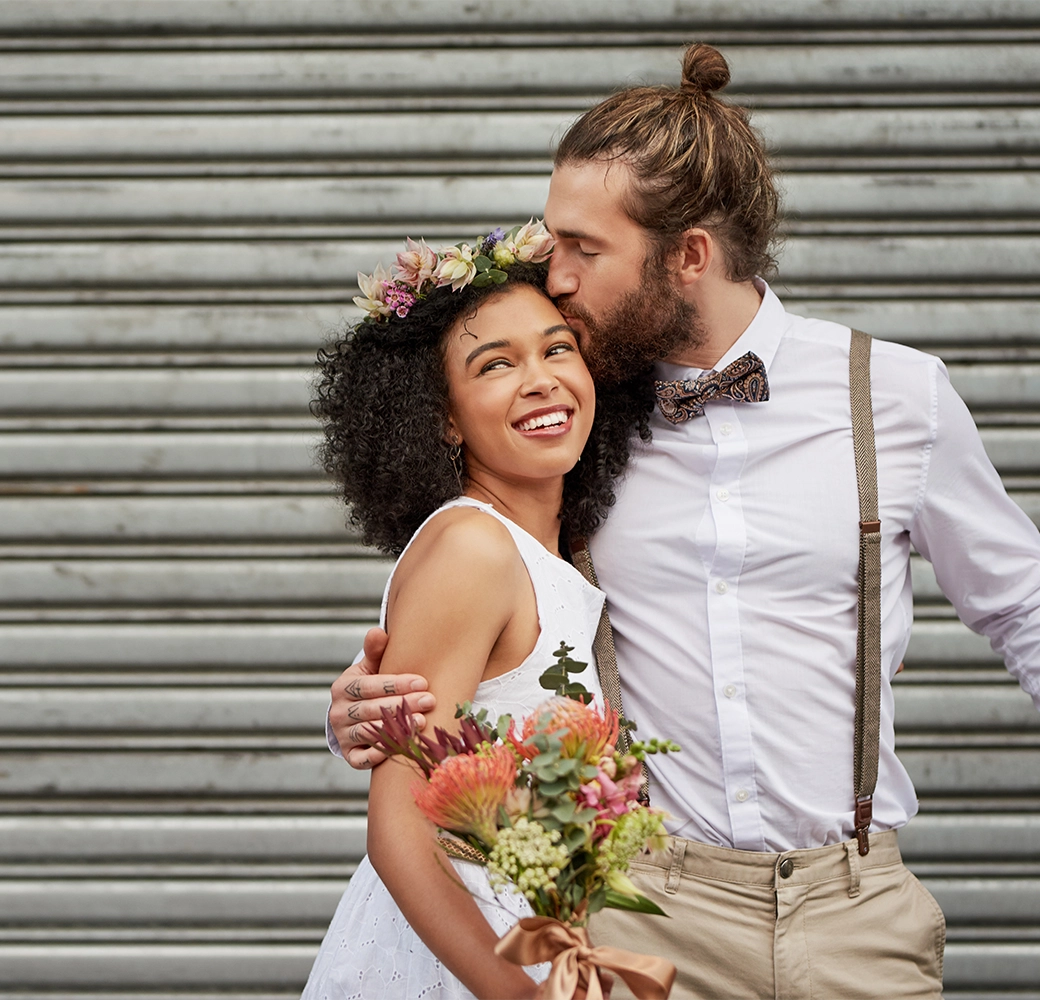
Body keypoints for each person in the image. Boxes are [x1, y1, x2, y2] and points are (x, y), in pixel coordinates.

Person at [329, 44, 1040, 999]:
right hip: (642, 913)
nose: (559, 279)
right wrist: (372, 709)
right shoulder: (580, 415)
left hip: (857, 914)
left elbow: (1022, 606)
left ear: (687, 256)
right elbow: (483, 620)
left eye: (583, 249)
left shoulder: (896, 396)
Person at [302, 235, 649, 1000]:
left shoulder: (544, 549)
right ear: (445, 420)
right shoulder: (473, 549)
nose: (541, 381)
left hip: (530, 930)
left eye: (558, 350)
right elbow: (400, 833)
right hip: (461, 953)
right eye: (495, 364)